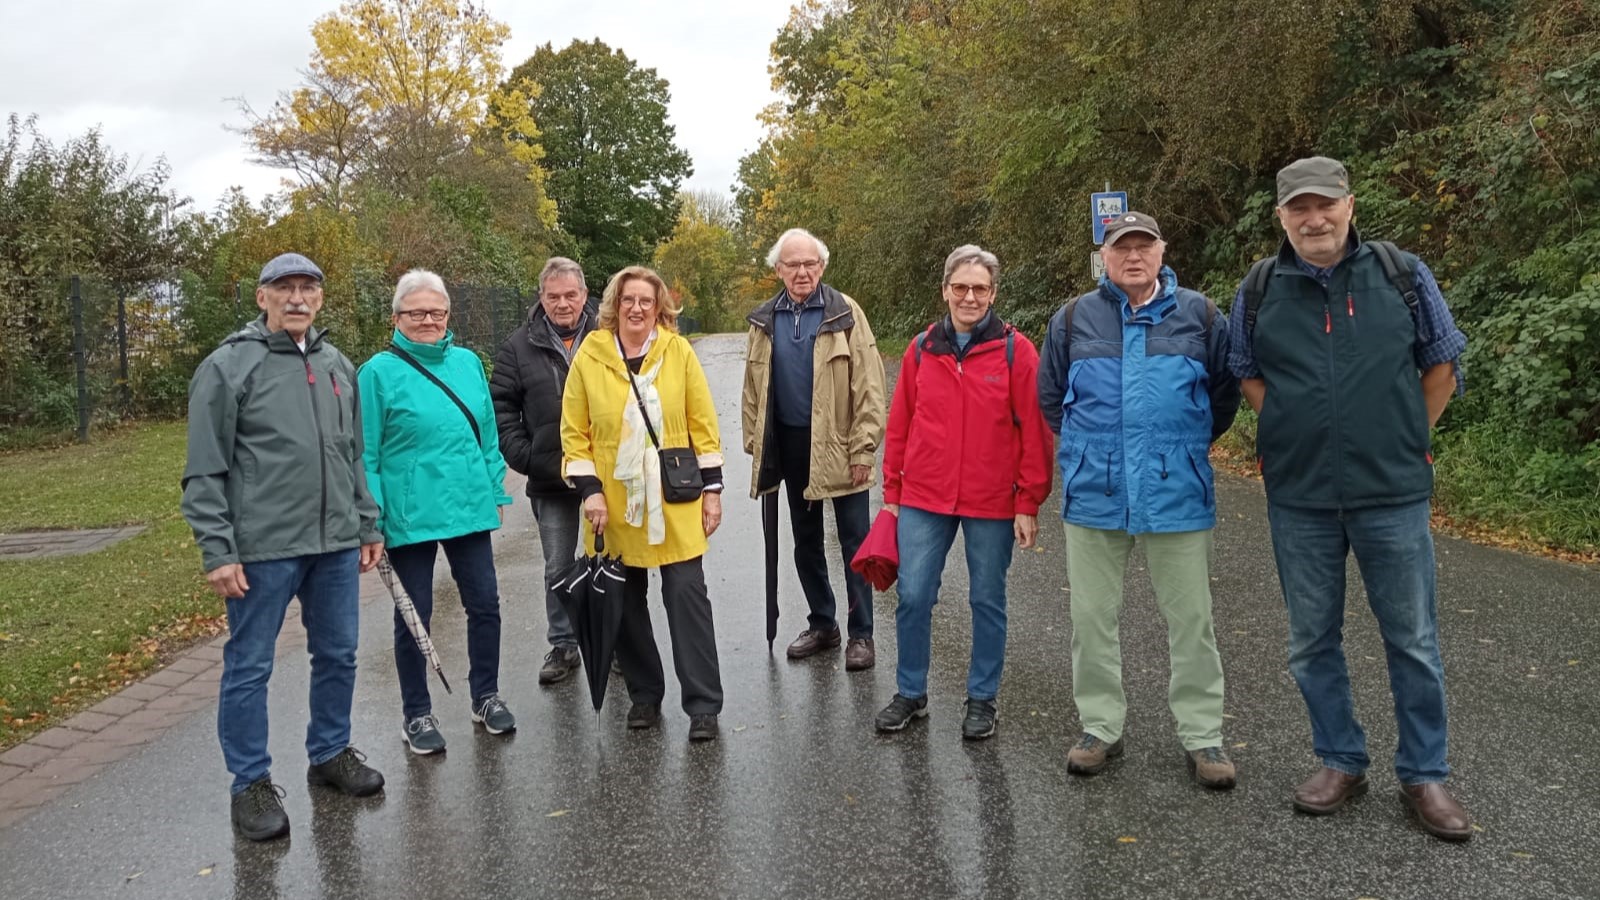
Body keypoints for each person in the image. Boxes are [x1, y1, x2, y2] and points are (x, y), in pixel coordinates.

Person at [1228, 156, 1472, 840]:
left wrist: (1402, 438)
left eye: (1325, 205)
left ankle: (1425, 774)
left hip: (1391, 493)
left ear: (1349, 206)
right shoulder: (1259, 288)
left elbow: (1442, 366)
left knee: (1414, 640)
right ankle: (1340, 759)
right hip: (1300, 497)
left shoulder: (1402, 274)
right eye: (1299, 209)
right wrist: (1288, 433)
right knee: (1311, 641)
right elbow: (1245, 372)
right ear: (1281, 218)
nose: (1314, 219)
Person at [181, 252, 385, 842]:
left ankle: (329, 753)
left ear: (320, 298)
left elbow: (351, 454)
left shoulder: (337, 364)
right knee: (250, 667)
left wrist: (366, 523)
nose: (297, 298)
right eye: (284, 288)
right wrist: (218, 549)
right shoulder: (227, 368)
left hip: (335, 546)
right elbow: (204, 468)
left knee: (340, 653)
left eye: (308, 288)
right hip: (263, 549)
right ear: (261, 297)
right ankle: (249, 783)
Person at [1036, 212, 1242, 788]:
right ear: (1104, 255)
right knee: (1092, 619)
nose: (1133, 255)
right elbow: (1052, 399)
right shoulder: (1073, 319)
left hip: (1176, 493)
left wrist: (1178, 449)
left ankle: (1203, 736)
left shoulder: (1200, 316)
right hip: (1094, 495)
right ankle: (1100, 727)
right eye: (1121, 246)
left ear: (1161, 252)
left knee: (1192, 621)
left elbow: (1222, 399)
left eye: (1143, 246)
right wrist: (1088, 452)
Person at [874, 245, 1052, 740]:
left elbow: (1034, 433)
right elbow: (901, 423)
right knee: (912, 595)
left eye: (979, 288)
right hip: (924, 496)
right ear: (945, 291)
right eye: (961, 287)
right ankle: (911, 692)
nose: (969, 296)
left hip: (992, 500)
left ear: (993, 293)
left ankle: (982, 698)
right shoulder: (919, 350)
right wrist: (892, 493)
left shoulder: (1018, 351)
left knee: (986, 600)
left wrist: (1028, 501)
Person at [561, 265, 726, 741]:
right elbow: (574, 432)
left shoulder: (678, 352)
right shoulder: (590, 356)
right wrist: (589, 490)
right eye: (629, 300)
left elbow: (703, 422)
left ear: (659, 309)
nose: (637, 309)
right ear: (615, 305)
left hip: (674, 498)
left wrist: (712, 492)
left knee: (686, 597)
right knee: (624, 604)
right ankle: (644, 697)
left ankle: (702, 706)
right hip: (612, 502)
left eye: (646, 302)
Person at [358, 269, 516, 755]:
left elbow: (486, 433)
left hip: (469, 507)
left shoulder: (468, 363)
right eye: (417, 312)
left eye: (437, 312)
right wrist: (373, 520)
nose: (428, 320)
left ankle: (485, 696)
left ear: (449, 314)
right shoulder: (377, 374)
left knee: (485, 605)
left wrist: (496, 490)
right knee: (415, 616)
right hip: (409, 517)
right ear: (397, 317)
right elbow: (366, 453)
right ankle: (417, 714)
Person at [741, 228, 887, 669]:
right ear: (778, 270)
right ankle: (823, 624)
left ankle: (861, 635)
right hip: (790, 445)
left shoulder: (845, 313)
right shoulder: (765, 320)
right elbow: (753, 386)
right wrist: (755, 441)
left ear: (821, 267)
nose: (801, 271)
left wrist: (864, 449)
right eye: (792, 264)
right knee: (805, 543)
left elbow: (869, 385)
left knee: (855, 541)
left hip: (840, 444)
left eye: (809, 264)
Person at [492, 257, 600, 686]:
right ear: (541, 298)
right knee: (558, 566)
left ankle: (614, 639)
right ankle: (563, 643)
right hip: (550, 479)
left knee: (609, 560)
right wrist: (529, 457)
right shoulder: (517, 347)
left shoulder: (607, 337)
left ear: (584, 296)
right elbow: (501, 409)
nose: (562, 304)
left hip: (605, 476)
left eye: (570, 295)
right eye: (553, 296)